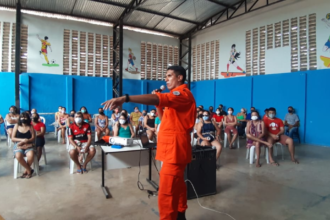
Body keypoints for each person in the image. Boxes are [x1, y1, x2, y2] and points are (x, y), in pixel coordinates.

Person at [102, 65, 196, 220]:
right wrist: (159, 104)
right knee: (177, 185)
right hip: (170, 149)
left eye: (169, 75)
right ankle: (180, 214)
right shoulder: (175, 98)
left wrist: (125, 98)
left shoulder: (182, 94)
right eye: (166, 76)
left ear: (180, 78)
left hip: (175, 151)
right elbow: (165, 117)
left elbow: (160, 98)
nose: (166, 79)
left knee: (166, 193)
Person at [11, 112, 36, 179]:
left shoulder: (30, 127)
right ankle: (29, 170)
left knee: (31, 155)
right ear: (20, 118)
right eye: (22, 117)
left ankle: (26, 171)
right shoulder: (16, 126)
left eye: (25, 117)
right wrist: (22, 140)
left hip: (29, 144)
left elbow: (33, 137)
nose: (23, 118)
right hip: (19, 144)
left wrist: (27, 140)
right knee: (18, 156)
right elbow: (13, 138)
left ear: (28, 118)